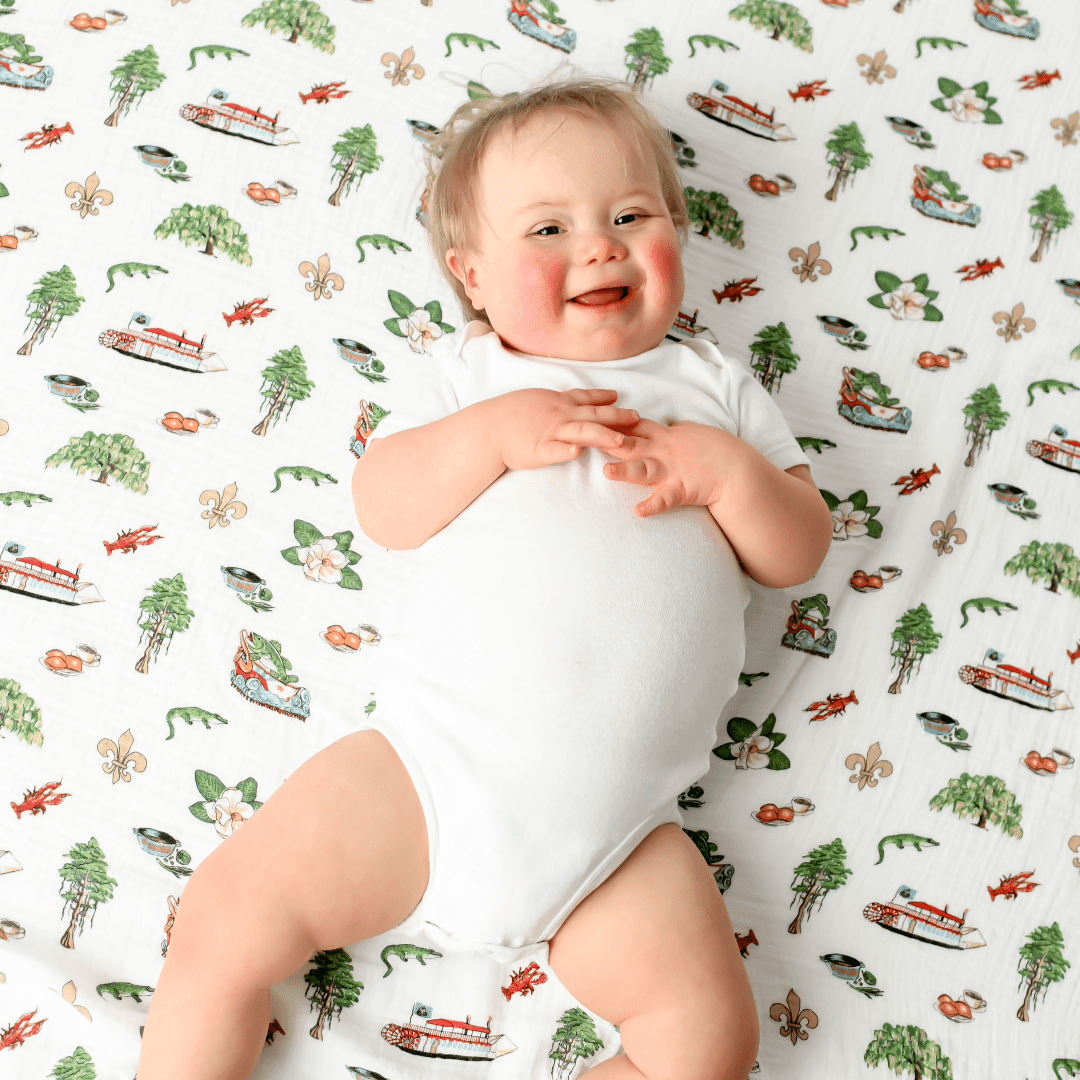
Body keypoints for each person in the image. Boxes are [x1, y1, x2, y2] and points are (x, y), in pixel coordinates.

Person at [137, 73, 833, 1080]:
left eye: (631, 215)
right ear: (472, 276)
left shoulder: (717, 391)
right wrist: (492, 437)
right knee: (227, 918)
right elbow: (384, 503)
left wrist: (725, 473)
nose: (598, 245)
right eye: (547, 230)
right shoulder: (471, 378)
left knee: (707, 1046)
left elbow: (799, 550)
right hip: (429, 775)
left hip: (620, 835)